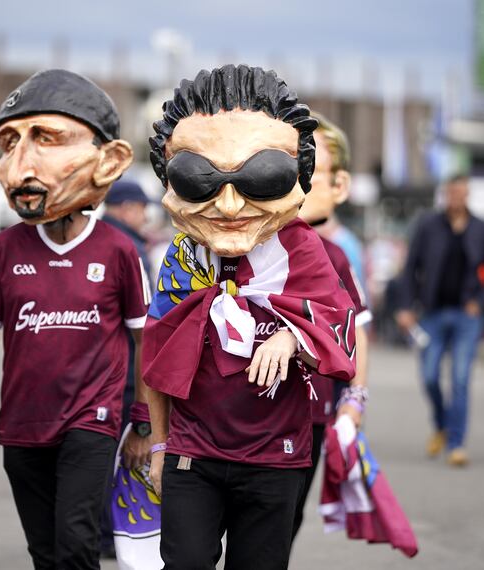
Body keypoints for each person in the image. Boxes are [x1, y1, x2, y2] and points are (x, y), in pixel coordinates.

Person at [144, 65, 357, 570]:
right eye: (199, 179)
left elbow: (338, 328)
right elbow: (155, 353)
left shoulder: (305, 252)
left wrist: (289, 337)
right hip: (193, 451)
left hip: (274, 455)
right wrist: (157, 444)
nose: (231, 203)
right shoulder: (183, 258)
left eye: (262, 176)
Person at [0, 69, 151, 570]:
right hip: (22, 424)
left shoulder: (117, 250)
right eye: (8, 143)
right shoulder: (5, 248)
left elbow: (144, 338)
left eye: (46, 138)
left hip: (92, 420)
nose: (19, 165)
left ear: (107, 161)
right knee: (44, 551)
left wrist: (144, 421)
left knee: (77, 543)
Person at [292, 112, 372, 541]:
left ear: (339, 186)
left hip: (312, 403)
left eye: (310, 170)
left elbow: (357, 326)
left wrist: (353, 400)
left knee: (283, 520)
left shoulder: (342, 251)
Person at [394, 175, 484, 467]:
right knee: (430, 376)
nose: (455, 198)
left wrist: (480, 302)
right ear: (445, 195)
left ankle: (456, 444)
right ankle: (441, 425)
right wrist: (405, 306)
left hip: (467, 314)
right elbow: (410, 267)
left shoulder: (481, 229)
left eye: (460, 193)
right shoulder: (428, 225)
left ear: (467, 195)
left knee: (460, 378)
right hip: (432, 312)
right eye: (451, 193)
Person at [99, 179, 154, 557]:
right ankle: (108, 535)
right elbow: (145, 323)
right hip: (124, 370)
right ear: (124, 207)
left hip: (99, 371)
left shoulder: (99, 240)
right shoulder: (129, 248)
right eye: (140, 206)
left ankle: (102, 533)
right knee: (120, 454)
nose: (145, 214)